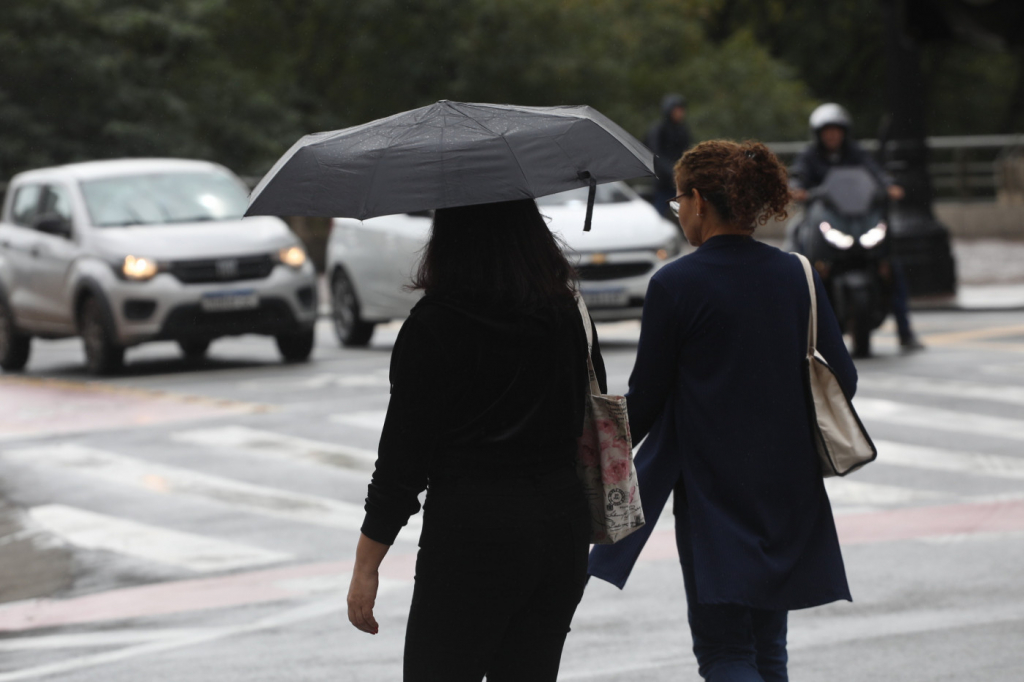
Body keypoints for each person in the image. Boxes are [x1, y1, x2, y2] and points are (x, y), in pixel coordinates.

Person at [588, 140, 857, 682]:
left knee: (724, 652)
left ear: (698, 200)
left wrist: (590, 446)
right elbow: (842, 379)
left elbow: (647, 401)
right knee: (769, 649)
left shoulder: (676, 284)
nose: (679, 212)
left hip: (712, 489)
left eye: (677, 201)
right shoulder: (797, 274)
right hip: (786, 485)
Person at [346, 199, 604, 682]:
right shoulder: (563, 310)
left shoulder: (434, 325)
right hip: (559, 522)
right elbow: (587, 408)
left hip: (472, 531)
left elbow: (401, 466)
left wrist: (366, 566)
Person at [790, 103, 923, 351]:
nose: (832, 135)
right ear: (818, 134)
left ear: (844, 132)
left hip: (858, 221)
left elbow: (875, 173)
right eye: (827, 131)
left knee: (892, 266)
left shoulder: (856, 152)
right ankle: (798, 331)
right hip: (825, 221)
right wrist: (797, 189)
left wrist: (888, 185)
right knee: (797, 257)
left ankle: (905, 332)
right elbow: (798, 176)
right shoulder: (809, 155)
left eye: (836, 130)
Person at [646, 93, 693, 220]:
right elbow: (656, 155)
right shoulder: (658, 130)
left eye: (682, 110)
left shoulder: (682, 130)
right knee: (658, 215)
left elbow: (687, 152)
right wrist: (672, 171)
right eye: (677, 110)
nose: (680, 113)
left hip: (680, 181)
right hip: (663, 182)